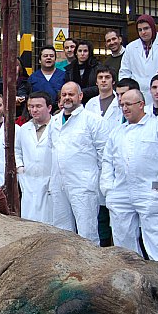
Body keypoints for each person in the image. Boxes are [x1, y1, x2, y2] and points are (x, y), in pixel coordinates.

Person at [101, 89, 158, 264]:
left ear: (141, 104)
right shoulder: (117, 132)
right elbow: (107, 161)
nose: (124, 108)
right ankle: (131, 275)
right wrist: (109, 189)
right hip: (121, 191)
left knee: (157, 240)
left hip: (149, 191)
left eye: (128, 104)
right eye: (122, 105)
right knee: (123, 241)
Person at [47, 82, 107, 244]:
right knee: (61, 230)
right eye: (64, 95)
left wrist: (97, 179)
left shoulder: (92, 120)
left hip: (83, 184)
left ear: (80, 96)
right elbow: (52, 149)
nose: (67, 98)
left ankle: (91, 261)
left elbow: (103, 153)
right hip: (59, 183)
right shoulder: (54, 121)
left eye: (71, 94)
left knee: (87, 231)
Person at [84, 65, 123, 247]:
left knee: (116, 206)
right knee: (98, 207)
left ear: (113, 81)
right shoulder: (90, 104)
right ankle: (104, 243)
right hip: (95, 158)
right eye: (100, 78)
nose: (104, 81)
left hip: (116, 156)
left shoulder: (120, 103)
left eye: (107, 77)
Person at [15, 91, 53, 224]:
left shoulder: (57, 127)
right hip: (28, 180)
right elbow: (17, 150)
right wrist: (19, 167)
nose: (34, 110)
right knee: (29, 222)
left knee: (51, 223)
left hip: (50, 181)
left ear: (49, 108)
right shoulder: (24, 129)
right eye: (31, 106)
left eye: (38, 106)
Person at [119, 14, 158, 97]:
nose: (143, 32)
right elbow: (125, 72)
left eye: (146, 28)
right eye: (140, 30)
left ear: (153, 28)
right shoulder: (131, 47)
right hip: (137, 94)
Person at [64, 40, 102, 105]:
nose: (82, 54)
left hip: (93, 102)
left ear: (89, 53)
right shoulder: (70, 69)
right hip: (74, 103)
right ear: (76, 53)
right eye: (80, 51)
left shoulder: (97, 67)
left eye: (85, 51)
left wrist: (81, 92)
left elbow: (100, 86)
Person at [29, 45, 65, 111]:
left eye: (51, 56)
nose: (48, 58)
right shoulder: (33, 78)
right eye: (45, 56)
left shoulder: (64, 76)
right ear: (40, 60)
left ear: (55, 59)